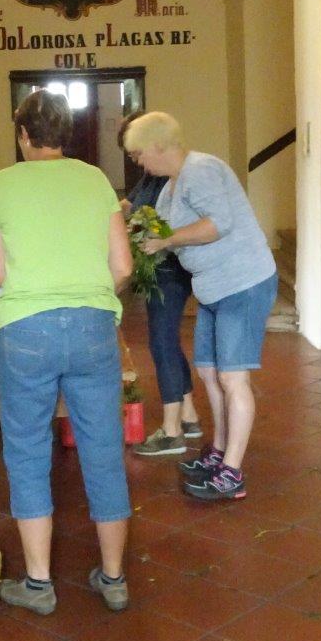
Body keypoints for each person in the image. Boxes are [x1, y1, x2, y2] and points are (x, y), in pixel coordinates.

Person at [0, 89, 133, 615]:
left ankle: (39, 584)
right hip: (94, 327)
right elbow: (123, 266)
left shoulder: (4, 182)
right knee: (104, 450)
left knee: (27, 452)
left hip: (26, 329)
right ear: (64, 133)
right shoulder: (95, 180)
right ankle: (113, 578)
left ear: (24, 134)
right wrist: (88, 298)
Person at [124, 112, 277, 500]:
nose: (139, 162)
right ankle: (219, 452)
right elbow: (153, 228)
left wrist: (166, 240)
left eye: (139, 153)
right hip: (212, 289)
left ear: (158, 145)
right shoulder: (170, 187)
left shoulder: (201, 170)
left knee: (233, 378)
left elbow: (218, 224)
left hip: (242, 282)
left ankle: (232, 473)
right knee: (209, 372)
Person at [117, 113, 201, 457]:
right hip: (162, 269)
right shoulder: (152, 176)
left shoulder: (177, 177)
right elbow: (129, 206)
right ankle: (189, 415)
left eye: (137, 153)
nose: (136, 160)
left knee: (162, 341)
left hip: (171, 269)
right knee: (167, 340)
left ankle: (172, 430)